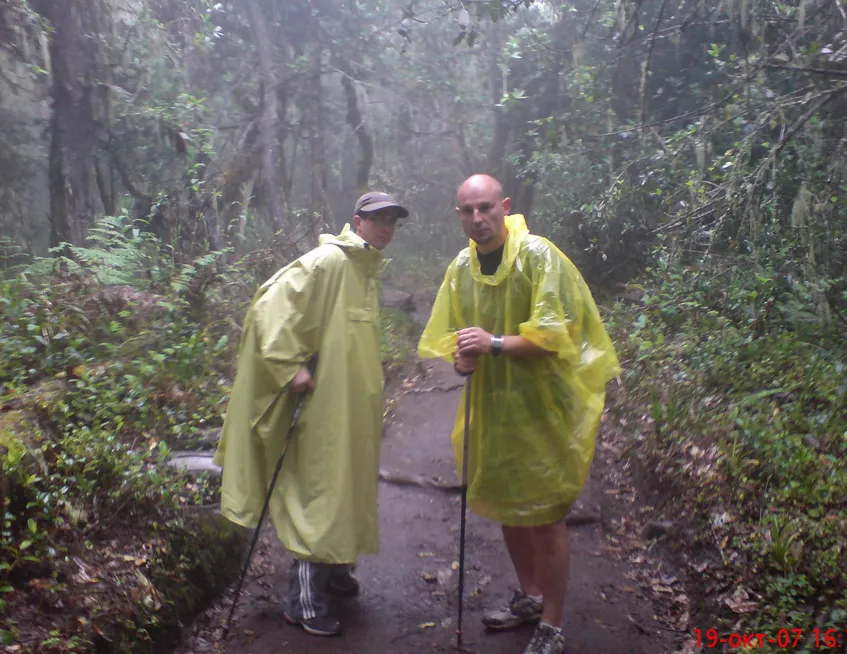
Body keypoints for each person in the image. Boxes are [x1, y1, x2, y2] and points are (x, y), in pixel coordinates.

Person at [418, 174, 620, 654]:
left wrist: (490, 344)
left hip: (544, 404)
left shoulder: (538, 257)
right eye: (467, 211)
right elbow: (454, 337)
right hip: (494, 405)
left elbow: (558, 335)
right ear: (458, 215)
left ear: (504, 206)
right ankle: (530, 596)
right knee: (510, 502)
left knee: (546, 513)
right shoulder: (460, 268)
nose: (478, 218)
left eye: (486, 207)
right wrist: (462, 356)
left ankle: (552, 622)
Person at [214, 191, 409, 637]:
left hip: (351, 409)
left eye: (393, 221)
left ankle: (336, 571)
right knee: (321, 492)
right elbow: (269, 307)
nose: (386, 227)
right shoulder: (330, 261)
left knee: (346, 486)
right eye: (378, 219)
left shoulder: (364, 270)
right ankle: (303, 601)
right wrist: (291, 367)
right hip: (323, 411)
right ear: (357, 221)